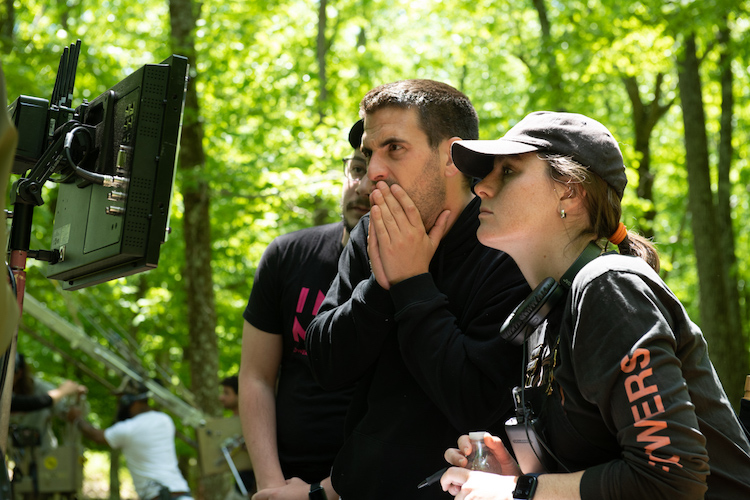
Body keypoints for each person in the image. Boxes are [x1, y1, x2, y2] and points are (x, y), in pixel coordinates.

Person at [439, 111, 750, 499]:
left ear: (570, 190)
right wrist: (516, 473)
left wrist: (521, 491)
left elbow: (671, 480)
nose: (481, 187)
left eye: (507, 172)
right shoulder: (551, 313)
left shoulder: (608, 288)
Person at [305, 80, 529, 499]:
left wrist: (412, 282)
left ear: (451, 156)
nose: (372, 170)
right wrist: (380, 287)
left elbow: (476, 403)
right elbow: (325, 365)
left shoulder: (507, 244)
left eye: (395, 148)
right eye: (370, 153)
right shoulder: (373, 229)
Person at [239, 119, 371, 500]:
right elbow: (256, 377)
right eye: (356, 169)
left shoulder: (412, 269)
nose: (360, 187)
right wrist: (271, 484)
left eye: (372, 174)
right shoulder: (287, 255)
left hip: (369, 481)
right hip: (285, 478)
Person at [68, 387, 193, 500]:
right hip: (183, 494)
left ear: (130, 402)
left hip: (160, 496)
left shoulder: (128, 429)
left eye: (121, 401)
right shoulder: (165, 420)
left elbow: (96, 436)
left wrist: (77, 419)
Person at [11, 378, 87, 412]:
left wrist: (77, 399)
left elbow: (67, 412)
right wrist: (62, 392)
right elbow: (27, 403)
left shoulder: (39, 387)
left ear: (20, 372)